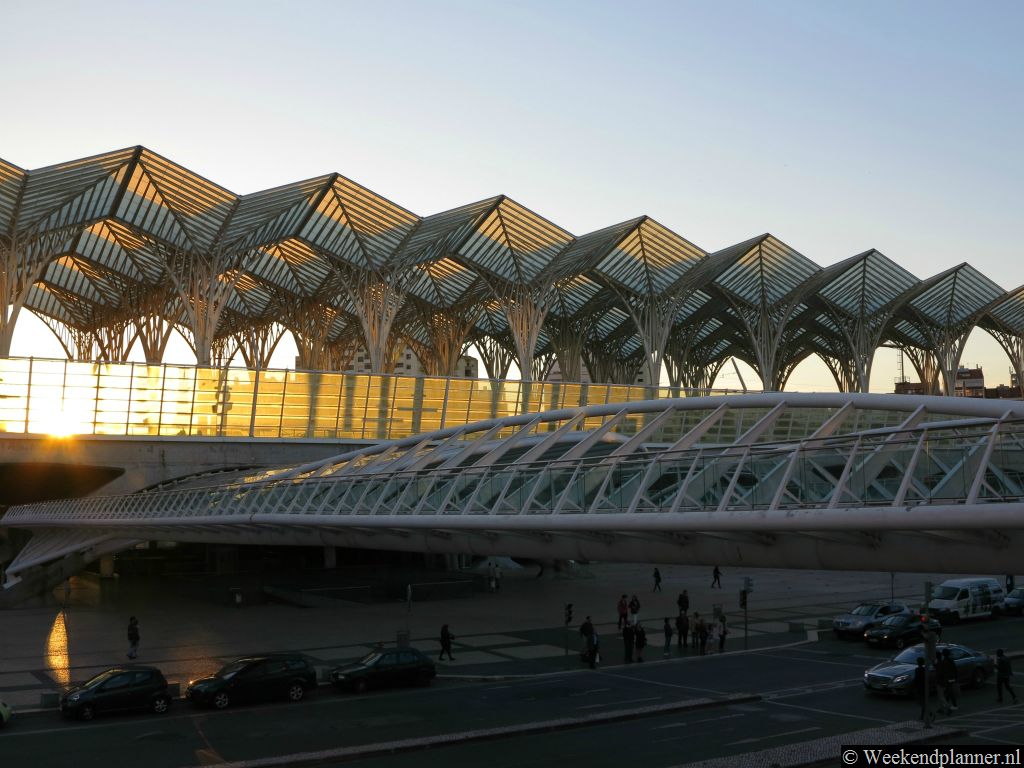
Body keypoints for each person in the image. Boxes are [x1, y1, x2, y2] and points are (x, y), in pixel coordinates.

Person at [914, 657, 932, 724]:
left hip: (920, 688)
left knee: (922, 702)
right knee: (923, 701)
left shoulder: (917, 670)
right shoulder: (924, 670)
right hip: (924, 687)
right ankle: (926, 714)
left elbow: (916, 679)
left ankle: (925, 715)